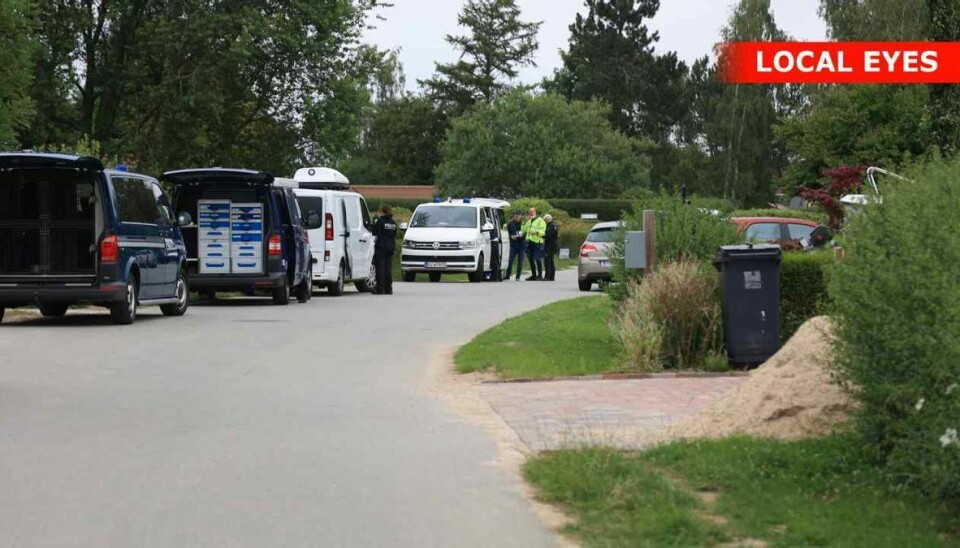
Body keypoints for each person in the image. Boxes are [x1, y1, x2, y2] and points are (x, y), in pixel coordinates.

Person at [371, 206, 398, 295]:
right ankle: (388, 289)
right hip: (390, 247)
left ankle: (380, 289)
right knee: (388, 269)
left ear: (383, 212)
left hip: (381, 247)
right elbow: (394, 234)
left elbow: (374, 232)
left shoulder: (380, 222)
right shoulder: (393, 223)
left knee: (380, 269)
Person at [522, 208, 546, 281]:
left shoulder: (540, 221)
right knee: (530, 258)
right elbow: (523, 230)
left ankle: (539, 275)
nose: (531, 213)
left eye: (532, 212)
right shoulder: (529, 221)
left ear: (536, 212)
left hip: (537, 241)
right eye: (530, 212)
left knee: (537, 258)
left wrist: (537, 232)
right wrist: (524, 222)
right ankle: (534, 275)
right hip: (530, 241)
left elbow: (543, 232)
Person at [505, 211, 525, 281]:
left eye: (518, 216)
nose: (516, 218)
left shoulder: (523, 223)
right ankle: (507, 276)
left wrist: (523, 235)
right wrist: (511, 236)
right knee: (510, 260)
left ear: (520, 216)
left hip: (521, 244)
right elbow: (507, 232)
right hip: (513, 244)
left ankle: (518, 276)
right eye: (515, 216)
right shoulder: (510, 223)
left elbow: (526, 232)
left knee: (520, 261)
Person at [543, 214, 559, 281]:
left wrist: (543, 236)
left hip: (550, 245)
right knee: (550, 260)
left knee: (548, 261)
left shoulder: (551, 226)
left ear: (547, 219)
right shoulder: (553, 225)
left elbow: (549, 235)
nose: (544, 221)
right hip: (552, 245)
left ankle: (548, 276)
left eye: (545, 220)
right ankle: (551, 276)